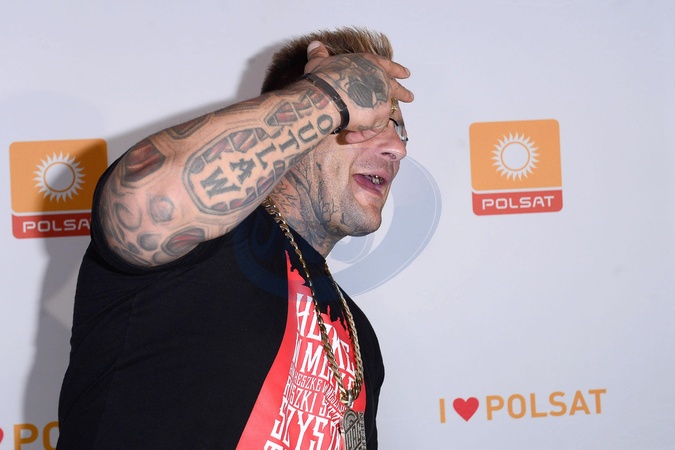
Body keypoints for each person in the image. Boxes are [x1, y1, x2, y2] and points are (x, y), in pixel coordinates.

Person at [57, 26, 413, 449]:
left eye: (399, 129)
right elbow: (145, 202)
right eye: (371, 122)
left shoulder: (356, 334)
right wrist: (326, 96)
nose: (397, 148)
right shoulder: (204, 244)